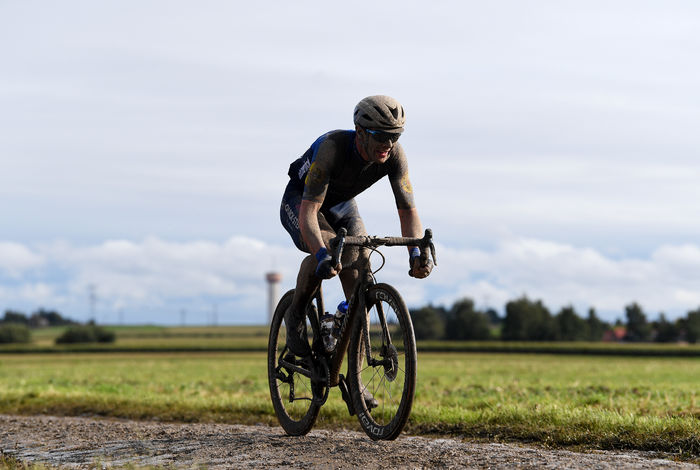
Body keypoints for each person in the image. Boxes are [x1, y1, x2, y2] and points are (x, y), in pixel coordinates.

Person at [279, 95, 434, 358]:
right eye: (380, 136)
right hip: (302, 201)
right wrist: (321, 255)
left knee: (361, 262)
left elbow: (408, 211)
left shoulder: (395, 155)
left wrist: (416, 253)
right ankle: (295, 315)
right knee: (332, 251)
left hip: (342, 205)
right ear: (360, 132)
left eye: (395, 136)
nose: (388, 144)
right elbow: (309, 212)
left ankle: (354, 371)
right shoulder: (332, 148)